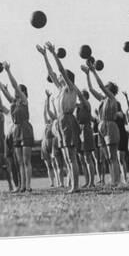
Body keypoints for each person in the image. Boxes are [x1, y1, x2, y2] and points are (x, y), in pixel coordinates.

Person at [38, 42, 83, 193]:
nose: (58, 77)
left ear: (66, 78)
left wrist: (53, 54)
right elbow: (51, 73)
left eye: (61, 76)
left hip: (69, 121)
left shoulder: (70, 88)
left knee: (71, 156)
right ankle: (72, 184)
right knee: (66, 156)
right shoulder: (60, 89)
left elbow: (60, 70)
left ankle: (75, 186)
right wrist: (44, 56)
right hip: (60, 123)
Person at [0, 62, 34, 192]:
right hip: (16, 131)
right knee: (19, 161)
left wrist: (8, 71)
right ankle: (21, 185)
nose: (15, 91)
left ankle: (28, 185)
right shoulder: (13, 102)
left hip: (25, 129)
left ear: (23, 92)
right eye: (15, 91)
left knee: (26, 160)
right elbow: (3, 90)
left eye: (18, 90)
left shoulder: (24, 100)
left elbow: (14, 85)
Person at [81, 62, 121, 187]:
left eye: (107, 88)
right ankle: (114, 180)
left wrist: (93, 71)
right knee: (108, 157)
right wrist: (87, 74)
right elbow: (92, 89)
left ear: (111, 91)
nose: (105, 89)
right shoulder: (103, 100)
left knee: (113, 155)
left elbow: (100, 86)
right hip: (102, 127)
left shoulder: (112, 99)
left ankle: (116, 181)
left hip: (110, 126)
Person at [75, 90, 97, 188]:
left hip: (86, 130)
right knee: (81, 158)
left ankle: (91, 182)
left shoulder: (87, 105)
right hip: (79, 131)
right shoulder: (78, 108)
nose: (79, 98)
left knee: (87, 157)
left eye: (81, 97)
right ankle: (87, 181)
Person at [40, 90, 59, 187]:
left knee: (55, 163)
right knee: (48, 165)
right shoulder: (47, 123)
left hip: (52, 142)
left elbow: (54, 113)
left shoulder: (54, 121)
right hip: (44, 143)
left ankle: (59, 181)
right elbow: (44, 113)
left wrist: (52, 103)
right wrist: (45, 102)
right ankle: (52, 182)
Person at [115, 101, 129, 183]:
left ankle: (124, 178)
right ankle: (121, 177)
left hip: (121, 136)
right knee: (119, 159)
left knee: (121, 158)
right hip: (118, 135)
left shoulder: (120, 114)